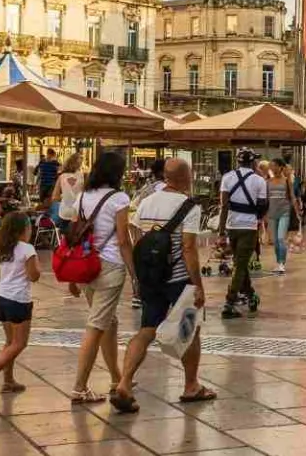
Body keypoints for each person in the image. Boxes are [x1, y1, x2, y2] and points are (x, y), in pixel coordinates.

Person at [113, 157, 214, 412]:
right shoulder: (189, 206)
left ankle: (124, 383)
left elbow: (137, 238)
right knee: (190, 330)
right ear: (186, 178)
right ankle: (191, 386)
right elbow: (189, 248)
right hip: (179, 278)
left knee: (146, 329)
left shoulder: (146, 202)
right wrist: (198, 285)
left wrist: (139, 276)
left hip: (151, 277)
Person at [61, 151, 132, 404]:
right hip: (110, 266)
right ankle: (79, 387)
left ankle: (115, 377)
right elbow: (123, 240)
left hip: (85, 265)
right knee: (96, 325)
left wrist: (72, 277)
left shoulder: (82, 197)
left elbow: (74, 236)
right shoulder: (119, 198)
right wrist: (134, 274)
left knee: (108, 322)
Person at [0, 212, 39, 397]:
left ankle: (8, 381)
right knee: (19, 343)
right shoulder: (27, 249)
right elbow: (33, 276)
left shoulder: (1, 248)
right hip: (19, 300)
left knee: (9, 342)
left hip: (2, 298)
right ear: (24, 230)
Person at [218, 148, 268, 320]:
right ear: (253, 162)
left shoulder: (227, 177)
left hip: (231, 226)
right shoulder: (259, 181)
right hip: (249, 227)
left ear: (238, 162)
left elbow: (224, 206)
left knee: (240, 262)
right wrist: (258, 220)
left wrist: (221, 232)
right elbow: (262, 206)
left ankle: (250, 293)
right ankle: (229, 302)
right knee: (240, 264)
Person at [265, 159, 294, 275]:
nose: (272, 168)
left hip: (284, 213)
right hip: (271, 214)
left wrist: (297, 211)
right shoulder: (268, 182)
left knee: (281, 238)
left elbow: (292, 196)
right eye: (271, 166)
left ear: (280, 167)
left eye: (274, 166)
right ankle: (278, 262)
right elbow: (266, 199)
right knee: (275, 241)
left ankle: (282, 263)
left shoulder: (287, 181)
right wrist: (264, 214)